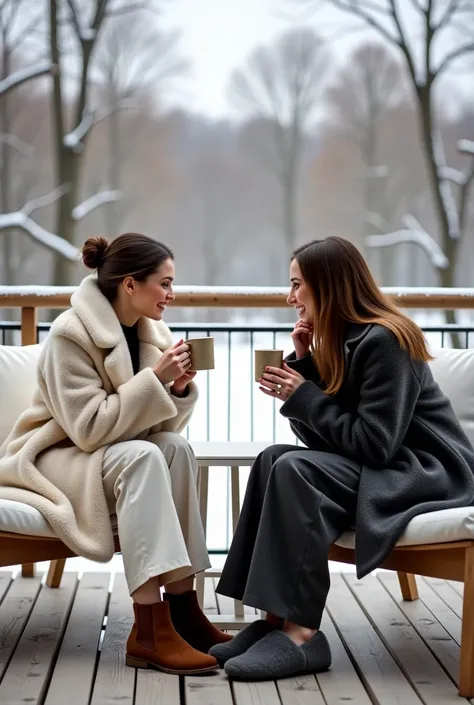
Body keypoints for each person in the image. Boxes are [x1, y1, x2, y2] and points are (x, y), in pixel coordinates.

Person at [211, 236, 474, 681]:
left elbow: (375, 444)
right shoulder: (345, 339)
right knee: (274, 459)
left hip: (429, 472)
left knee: (295, 468)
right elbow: (328, 442)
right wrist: (305, 367)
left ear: (327, 285)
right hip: (387, 464)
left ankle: (302, 633)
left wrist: (305, 394)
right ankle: (272, 620)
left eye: (298, 285)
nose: (290, 297)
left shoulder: (387, 341)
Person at [0, 233, 232, 675]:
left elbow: (154, 429)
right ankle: (147, 630)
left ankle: (183, 608)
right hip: (57, 457)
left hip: (106, 457)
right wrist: (155, 382)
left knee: (175, 450)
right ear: (130, 284)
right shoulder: (70, 335)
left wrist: (178, 390)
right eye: (164, 283)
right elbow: (88, 430)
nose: (171, 294)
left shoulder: (152, 333)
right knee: (143, 458)